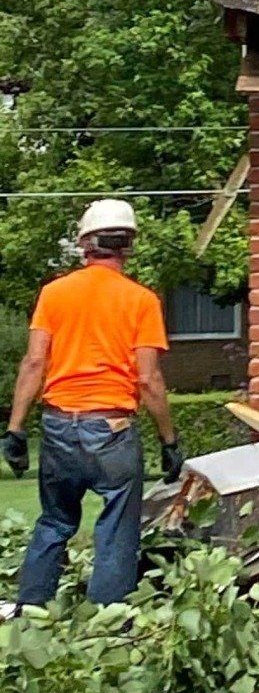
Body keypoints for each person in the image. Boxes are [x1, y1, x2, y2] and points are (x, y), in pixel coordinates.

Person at [3, 200, 183, 608]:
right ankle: (106, 628)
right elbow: (149, 380)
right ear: (128, 246)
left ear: (85, 244)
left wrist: (15, 429)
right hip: (113, 430)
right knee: (118, 531)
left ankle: (31, 614)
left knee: (54, 521)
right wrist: (168, 440)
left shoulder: (54, 294)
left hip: (58, 426)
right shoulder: (141, 300)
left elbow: (34, 362)